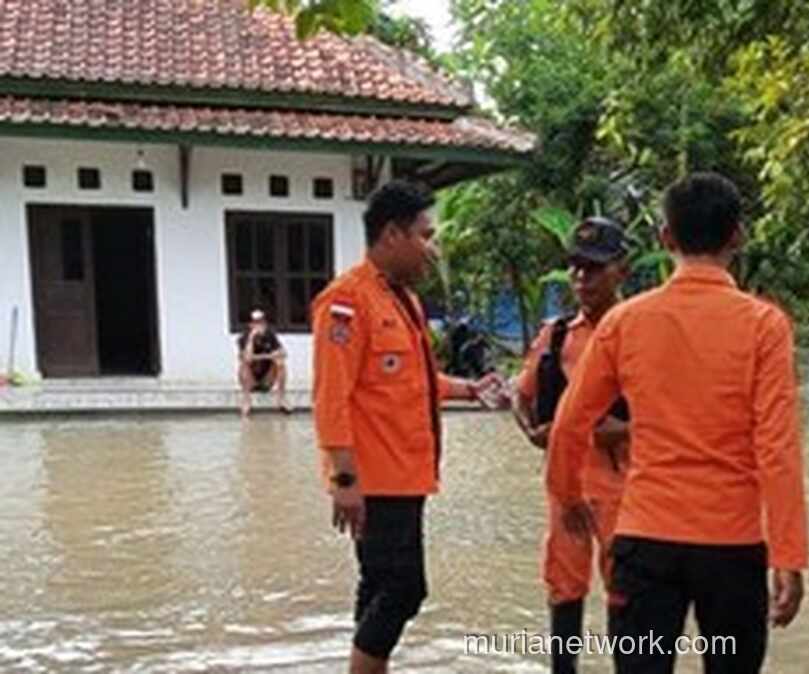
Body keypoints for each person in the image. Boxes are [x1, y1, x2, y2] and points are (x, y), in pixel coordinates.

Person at [547, 173, 809, 674]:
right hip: (732, 549)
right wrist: (789, 556)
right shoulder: (764, 326)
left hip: (645, 542)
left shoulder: (626, 323)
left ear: (666, 237)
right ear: (737, 236)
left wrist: (567, 497)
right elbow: (777, 448)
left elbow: (569, 424)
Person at [310, 180, 502, 674]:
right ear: (392, 234)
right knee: (404, 589)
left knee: (378, 586)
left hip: (407, 477)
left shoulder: (405, 302)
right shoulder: (346, 302)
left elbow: (412, 379)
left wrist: (469, 388)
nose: (432, 248)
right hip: (375, 483)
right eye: (425, 234)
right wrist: (345, 481)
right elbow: (331, 397)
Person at [512, 217, 632, 674]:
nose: (582, 279)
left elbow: (666, 420)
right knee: (564, 586)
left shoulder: (639, 330)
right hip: (566, 488)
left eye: (594, 268)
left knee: (625, 591)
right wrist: (532, 431)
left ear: (621, 269)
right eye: (576, 268)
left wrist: (595, 432)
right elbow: (521, 396)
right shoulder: (556, 334)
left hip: (626, 488)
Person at [236, 308, 289, 418]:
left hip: (267, 380)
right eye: (256, 323)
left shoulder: (270, 336)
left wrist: (262, 357)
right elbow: (247, 357)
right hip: (251, 381)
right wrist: (252, 337)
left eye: (261, 322)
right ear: (250, 325)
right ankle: (246, 400)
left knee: (280, 363)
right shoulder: (244, 337)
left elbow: (283, 353)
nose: (259, 325)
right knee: (243, 365)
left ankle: (281, 398)